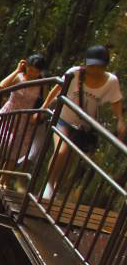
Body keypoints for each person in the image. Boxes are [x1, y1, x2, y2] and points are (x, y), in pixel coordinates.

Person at [39, 45, 126, 200]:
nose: (93, 70)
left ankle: (57, 189)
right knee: (61, 150)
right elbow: (57, 89)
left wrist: (120, 120)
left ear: (105, 66)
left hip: (83, 126)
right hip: (63, 118)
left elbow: (116, 101)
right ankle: (49, 186)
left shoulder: (111, 81)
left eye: (98, 66)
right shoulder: (74, 73)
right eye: (91, 65)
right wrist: (43, 108)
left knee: (69, 160)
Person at [0, 55, 48, 184]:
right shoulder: (19, 77)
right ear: (26, 66)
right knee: (3, 141)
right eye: (31, 69)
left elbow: (46, 101)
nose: (33, 73)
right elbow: (2, 86)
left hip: (25, 120)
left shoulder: (41, 84)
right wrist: (17, 70)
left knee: (15, 150)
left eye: (36, 71)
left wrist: (39, 114)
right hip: (9, 114)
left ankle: (2, 181)